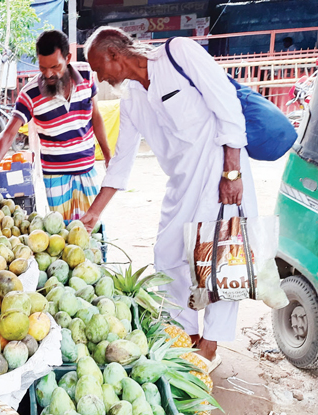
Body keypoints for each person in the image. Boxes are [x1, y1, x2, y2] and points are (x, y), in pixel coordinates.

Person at [83, 27, 258, 367]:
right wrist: (94, 213)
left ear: (115, 55)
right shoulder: (131, 97)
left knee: (220, 261)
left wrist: (232, 173)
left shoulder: (178, 54)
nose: (99, 75)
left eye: (98, 66)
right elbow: (121, 160)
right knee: (167, 255)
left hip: (217, 171)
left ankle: (209, 348)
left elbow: (227, 105)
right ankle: (186, 335)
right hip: (181, 183)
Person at [0, 30, 111, 223]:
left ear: (68, 58)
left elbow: (95, 117)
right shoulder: (30, 93)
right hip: (56, 178)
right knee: (63, 236)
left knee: (92, 230)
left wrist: (107, 155)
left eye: (55, 67)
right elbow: (8, 133)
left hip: (87, 170)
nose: (48, 74)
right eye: (42, 67)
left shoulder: (86, 74)